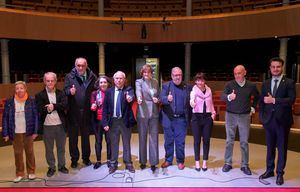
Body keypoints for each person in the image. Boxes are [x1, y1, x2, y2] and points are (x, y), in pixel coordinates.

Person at [259, 57, 296, 185]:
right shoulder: (265, 83)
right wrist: (262, 118)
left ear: (282, 67)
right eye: (273, 67)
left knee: (282, 148)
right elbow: (262, 102)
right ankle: (269, 170)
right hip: (269, 121)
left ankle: (280, 173)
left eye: (278, 67)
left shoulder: (289, 82)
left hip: (283, 121)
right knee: (270, 148)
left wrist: (274, 100)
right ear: (270, 68)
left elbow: (291, 100)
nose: (275, 69)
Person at [221, 65, 259, 175]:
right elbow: (223, 96)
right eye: (235, 73)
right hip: (230, 115)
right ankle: (228, 163)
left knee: (244, 142)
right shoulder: (229, 84)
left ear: (245, 73)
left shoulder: (251, 85)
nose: (237, 75)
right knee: (229, 140)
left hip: (244, 116)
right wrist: (229, 97)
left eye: (239, 73)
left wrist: (253, 107)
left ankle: (245, 165)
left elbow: (257, 97)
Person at [2, 81, 38, 183]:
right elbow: (5, 118)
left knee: (30, 152)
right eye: (17, 88)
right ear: (15, 90)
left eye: (21, 88)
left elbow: (35, 116)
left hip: (28, 131)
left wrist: (35, 131)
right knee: (18, 153)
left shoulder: (31, 100)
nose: (19, 90)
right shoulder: (10, 102)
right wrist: (5, 133)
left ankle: (31, 172)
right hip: (15, 132)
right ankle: (20, 173)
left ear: (25, 89)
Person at [64, 57, 97, 168]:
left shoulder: (92, 76)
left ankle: (86, 158)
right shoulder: (69, 77)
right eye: (78, 65)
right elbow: (65, 90)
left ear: (86, 65)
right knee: (73, 138)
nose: (81, 67)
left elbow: (97, 91)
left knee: (85, 137)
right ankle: (74, 159)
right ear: (75, 65)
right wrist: (70, 91)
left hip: (87, 112)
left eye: (83, 65)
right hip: (73, 112)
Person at [35, 72, 69, 177]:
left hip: (60, 125)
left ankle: (62, 166)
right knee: (49, 149)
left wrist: (53, 106)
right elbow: (40, 109)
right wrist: (47, 108)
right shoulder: (39, 95)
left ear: (55, 81)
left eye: (52, 80)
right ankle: (51, 167)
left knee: (61, 148)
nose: (50, 82)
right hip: (47, 126)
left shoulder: (61, 93)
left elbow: (64, 105)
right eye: (48, 81)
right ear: (44, 81)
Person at [102, 71, 136, 174]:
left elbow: (131, 96)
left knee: (126, 143)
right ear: (114, 80)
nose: (119, 80)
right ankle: (113, 163)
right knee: (114, 144)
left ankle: (128, 163)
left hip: (125, 121)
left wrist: (130, 98)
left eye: (121, 78)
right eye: (117, 78)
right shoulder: (109, 92)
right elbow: (105, 109)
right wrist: (105, 123)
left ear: (124, 80)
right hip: (113, 122)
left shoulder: (128, 89)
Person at [160, 67, 192, 170]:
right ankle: (168, 160)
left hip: (181, 119)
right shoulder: (166, 86)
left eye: (179, 75)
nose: (177, 77)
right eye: (175, 75)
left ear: (181, 76)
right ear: (172, 75)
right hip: (168, 118)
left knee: (180, 142)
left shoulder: (187, 87)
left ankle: (180, 161)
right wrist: (167, 99)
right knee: (168, 141)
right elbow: (161, 98)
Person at [135, 64, 160, 173]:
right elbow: (138, 91)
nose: (146, 74)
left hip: (154, 113)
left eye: (148, 72)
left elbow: (158, 95)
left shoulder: (155, 82)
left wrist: (157, 99)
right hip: (142, 112)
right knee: (142, 137)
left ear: (151, 73)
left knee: (154, 138)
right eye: (144, 72)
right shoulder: (139, 82)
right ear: (142, 73)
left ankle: (153, 162)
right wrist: (139, 98)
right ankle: (143, 161)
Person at [190, 73, 216, 172]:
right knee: (197, 141)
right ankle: (197, 162)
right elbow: (191, 100)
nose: (199, 82)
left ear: (204, 81)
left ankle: (205, 161)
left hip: (207, 118)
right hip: (196, 117)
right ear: (195, 81)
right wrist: (192, 103)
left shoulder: (209, 90)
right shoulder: (194, 91)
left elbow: (211, 103)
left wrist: (213, 113)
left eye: (201, 80)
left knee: (206, 140)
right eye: (197, 80)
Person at [90, 75, 112, 169]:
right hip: (98, 121)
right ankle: (98, 161)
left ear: (108, 84)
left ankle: (109, 160)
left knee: (109, 141)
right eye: (101, 82)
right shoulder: (94, 93)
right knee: (98, 141)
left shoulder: (111, 93)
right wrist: (93, 106)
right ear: (98, 84)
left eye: (105, 82)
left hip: (108, 121)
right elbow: (92, 104)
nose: (103, 84)